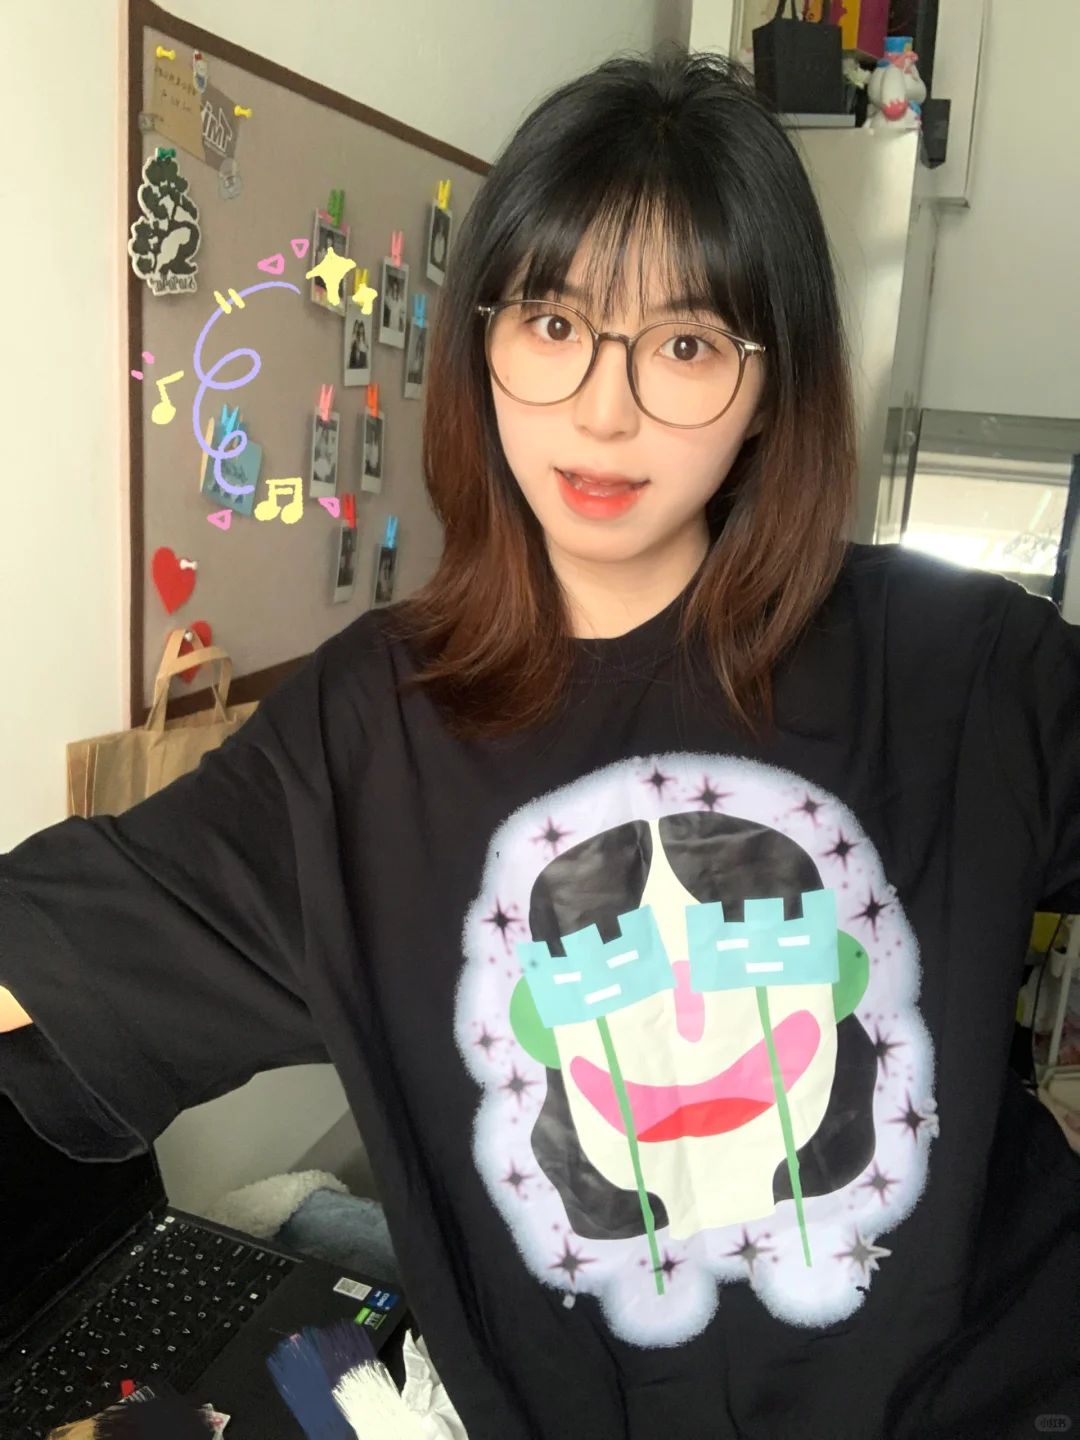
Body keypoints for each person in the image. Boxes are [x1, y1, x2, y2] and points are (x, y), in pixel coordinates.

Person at [0, 50, 1078, 1440]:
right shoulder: (365, 731)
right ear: (486, 340)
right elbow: (61, 945)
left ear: (772, 384)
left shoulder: (956, 664)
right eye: (555, 323)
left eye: (686, 345)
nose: (603, 409)